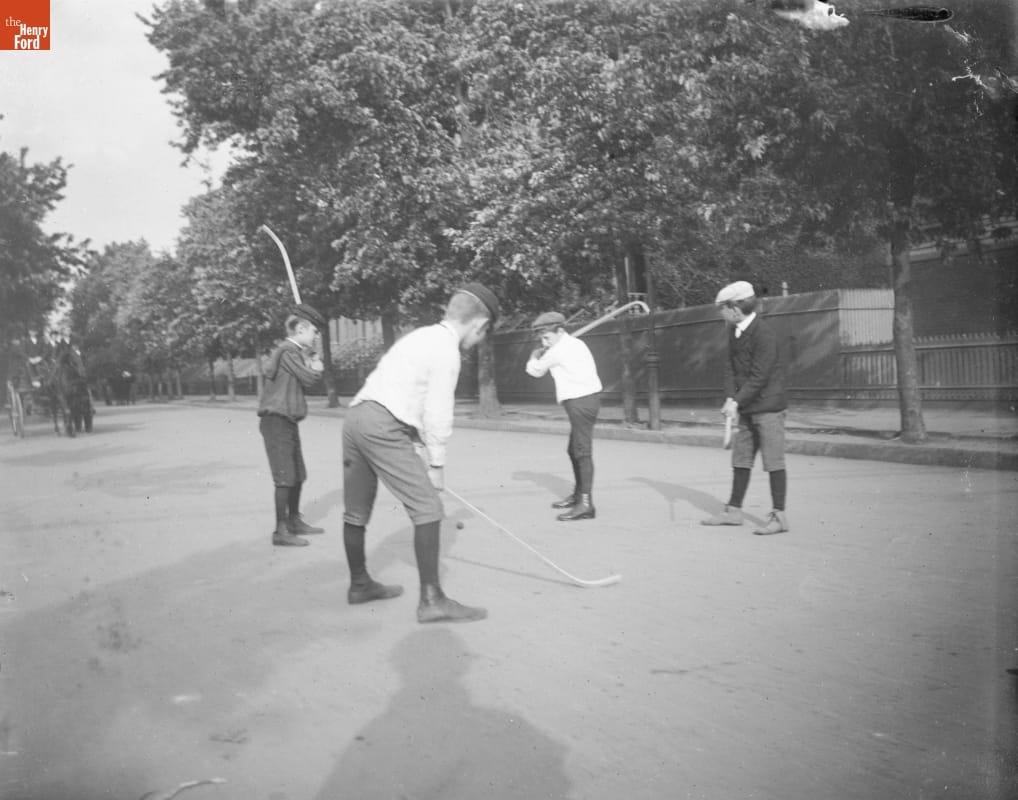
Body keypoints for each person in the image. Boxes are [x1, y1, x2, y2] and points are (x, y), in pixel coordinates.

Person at [341, 283, 499, 623]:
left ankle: (359, 584)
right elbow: (437, 412)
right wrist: (436, 464)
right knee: (428, 507)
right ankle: (432, 600)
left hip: (356, 417)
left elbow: (400, 390)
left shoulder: (419, 336)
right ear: (480, 324)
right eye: (484, 333)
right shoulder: (448, 351)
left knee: (355, 511)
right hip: (381, 424)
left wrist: (412, 436)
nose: (480, 340)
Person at [701, 281, 790, 535]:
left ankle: (779, 516)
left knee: (773, 461)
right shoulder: (734, 330)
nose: (720, 313)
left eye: (722, 308)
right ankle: (734, 511)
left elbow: (760, 376)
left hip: (768, 407)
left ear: (735, 309)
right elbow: (730, 367)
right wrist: (730, 398)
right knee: (741, 459)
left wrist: (737, 401)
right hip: (747, 406)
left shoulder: (764, 334)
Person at [257, 303, 328, 547]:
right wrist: (316, 364)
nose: (316, 336)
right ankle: (280, 531)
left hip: (286, 420)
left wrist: (308, 358)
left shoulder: (294, 351)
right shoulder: (288, 351)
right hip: (276, 420)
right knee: (285, 477)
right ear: (300, 329)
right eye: (314, 331)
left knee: (297, 474)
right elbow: (309, 379)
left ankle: (294, 520)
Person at [525, 311, 603, 521]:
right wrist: (547, 348)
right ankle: (578, 496)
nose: (544, 342)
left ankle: (586, 505)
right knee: (573, 449)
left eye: (547, 337)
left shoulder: (557, 351)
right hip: (584, 400)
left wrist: (534, 355)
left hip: (581, 402)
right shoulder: (576, 344)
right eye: (542, 338)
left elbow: (535, 371)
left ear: (560, 331)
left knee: (582, 451)